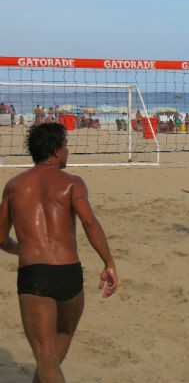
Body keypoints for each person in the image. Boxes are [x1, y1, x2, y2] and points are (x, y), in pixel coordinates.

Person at [0, 123, 118, 382]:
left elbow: (0, 239)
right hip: (69, 273)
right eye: (65, 145)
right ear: (55, 151)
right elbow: (89, 222)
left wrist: (24, 249)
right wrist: (108, 262)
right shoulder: (73, 183)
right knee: (59, 340)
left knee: (46, 356)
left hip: (34, 275)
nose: (68, 150)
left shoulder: (14, 186)